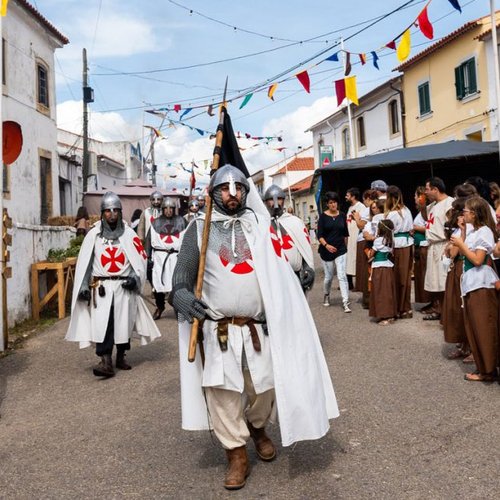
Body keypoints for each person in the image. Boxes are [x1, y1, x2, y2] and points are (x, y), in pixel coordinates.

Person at [169, 165, 339, 490]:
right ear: (213, 193)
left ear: (247, 192)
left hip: (257, 328)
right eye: (224, 189)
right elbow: (182, 273)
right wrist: (180, 295)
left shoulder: (261, 225)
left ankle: (258, 427)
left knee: (263, 387)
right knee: (223, 392)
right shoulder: (198, 229)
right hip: (219, 330)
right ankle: (236, 453)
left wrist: (299, 272)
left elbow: (285, 261)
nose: (231, 195)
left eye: (238, 189)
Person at [65, 192, 160, 377]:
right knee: (104, 324)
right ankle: (105, 360)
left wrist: (134, 278)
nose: (112, 214)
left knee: (123, 323)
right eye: (108, 211)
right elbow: (86, 264)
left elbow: (138, 260)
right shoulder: (93, 235)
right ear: (102, 213)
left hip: (124, 287)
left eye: (115, 210)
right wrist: (84, 286)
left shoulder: (129, 235)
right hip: (102, 288)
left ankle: (121, 356)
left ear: (120, 211)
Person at [450, 196, 499, 382]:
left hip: (481, 283)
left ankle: (488, 370)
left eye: (467, 210)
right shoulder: (473, 232)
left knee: (483, 327)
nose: (464, 213)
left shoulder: (485, 231)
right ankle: (483, 367)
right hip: (472, 283)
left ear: (475, 213)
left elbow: (478, 259)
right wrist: (462, 233)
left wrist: (461, 245)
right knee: (475, 327)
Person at [263, 185, 315, 292]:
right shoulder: (262, 224)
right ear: (265, 202)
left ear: (284, 200)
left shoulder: (295, 222)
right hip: (273, 278)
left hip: (295, 274)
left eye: (279, 199)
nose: (275, 203)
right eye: (271, 200)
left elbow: (304, 248)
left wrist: (307, 268)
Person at [146, 197, 186, 320]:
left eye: (171, 208)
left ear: (174, 209)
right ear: (162, 209)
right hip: (160, 257)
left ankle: (178, 307)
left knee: (177, 284)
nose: (168, 211)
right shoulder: (155, 223)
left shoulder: (182, 221)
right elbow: (148, 241)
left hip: (176, 257)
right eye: (166, 208)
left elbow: (189, 238)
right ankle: (160, 306)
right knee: (158, 284)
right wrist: (148, 257)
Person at [441, 198, 470, 360]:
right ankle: (463, 343)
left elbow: (452, 253)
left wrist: (451, 247)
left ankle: (470, 346)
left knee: (462, 306)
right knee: (456, 307)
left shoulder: (465, 231)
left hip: (461, 268)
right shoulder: (458, 231)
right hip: (455, 268)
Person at [423, 177, 454, 321]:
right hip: (433, 245)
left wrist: (450, 244)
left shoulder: (449, 203)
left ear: (436, 189)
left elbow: (452, 227)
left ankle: (448, 312)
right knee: (435, 281)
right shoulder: (433, 205)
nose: (425, 192)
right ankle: (439, 309)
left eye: (427, 189)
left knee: (444, 280)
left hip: (443, 244)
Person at [317, 191, 351, 312]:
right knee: (329, 277)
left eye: (335, 202)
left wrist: (345, 248)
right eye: (331, 202)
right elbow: (319, 235)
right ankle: (326, 294)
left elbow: (345, 234)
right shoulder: (323, 217)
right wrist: (326, 245)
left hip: (341, 249)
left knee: (342, 275)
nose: (333, 205)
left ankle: (345, 301)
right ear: (327, 204)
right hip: (326, 250)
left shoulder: (342, 215)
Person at [385, 186, 414, 319]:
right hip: (408, 244)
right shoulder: (407, 210)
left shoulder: (392, 214)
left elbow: (389, 234)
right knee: (406, 277)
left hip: (398, 246)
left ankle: (400, 308)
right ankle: (405, 307)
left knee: (398, 278)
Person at [369, 219, 397, 325]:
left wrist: (370, 254)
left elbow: (372, 254)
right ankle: (390, 314)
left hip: (379, 268)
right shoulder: (390, 240)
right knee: (388, 291)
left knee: (381, 292)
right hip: (388, 267)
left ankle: (384, 316)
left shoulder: (378, 240)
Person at [412, 187, 431, 308]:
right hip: (418, 245)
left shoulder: (428, 211)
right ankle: (426, 301)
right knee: (420, 274)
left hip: (425, 245)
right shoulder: (420, 213)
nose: (414, 198)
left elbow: (430, 228)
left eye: (416, 196)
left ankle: (431, 301)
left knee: (426, 274)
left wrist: (415, 228)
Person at [345, 188, 365, 291]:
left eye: (348, 195)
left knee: (357, 259)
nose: (346, 197)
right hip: (350, 236)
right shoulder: (350, 208)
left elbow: (362, 221)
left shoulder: (361, 207)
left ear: (353, 196)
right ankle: (349, 283)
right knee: (349, 259)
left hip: (357, 236)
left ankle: (359, 284)